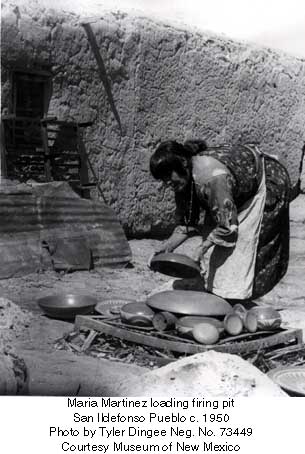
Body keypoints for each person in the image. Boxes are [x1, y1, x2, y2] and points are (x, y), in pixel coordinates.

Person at [149, 140, 290, 301]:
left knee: (244, 247)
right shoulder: (182, 180)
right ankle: (219, 294)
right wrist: (166, 248)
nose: (167, 182)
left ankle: (237, 301)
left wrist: (201, 249)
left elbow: (228, 226)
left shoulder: (212, 178)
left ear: (182, 163)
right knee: (214, 250)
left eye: (168, 175)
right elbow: (186, 224)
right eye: (162, 179)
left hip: (266, 181)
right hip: (230, 192)